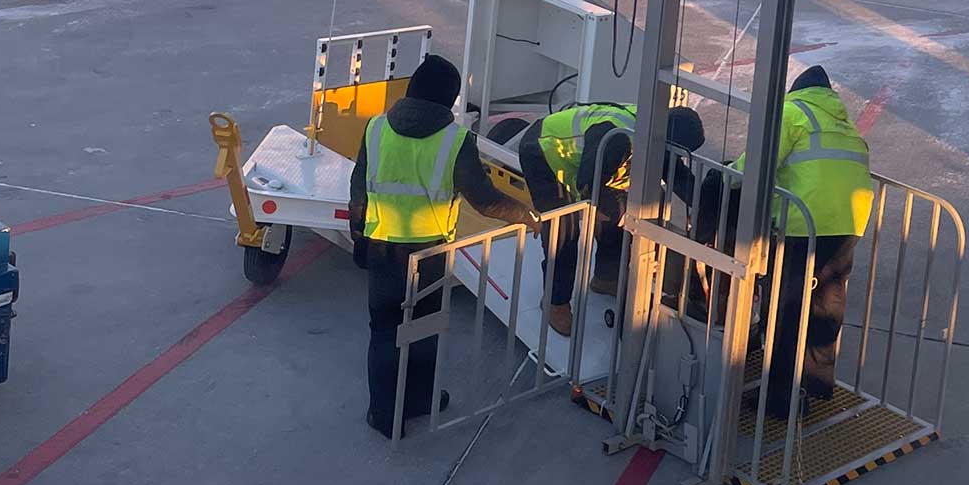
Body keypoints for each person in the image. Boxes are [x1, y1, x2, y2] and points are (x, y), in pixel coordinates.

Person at [348, 53, 533, 438]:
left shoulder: (376, 128)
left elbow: (358, 191)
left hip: (382, 250)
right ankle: (420, 400)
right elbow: (484, 200)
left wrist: (359, 239)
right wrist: (528, 216)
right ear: (447, 100)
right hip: (429, 255)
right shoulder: (456, 140)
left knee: (384, 331)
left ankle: (383, 414)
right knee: (424, 327)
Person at [702, 66, 874, 420]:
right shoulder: (844, 124)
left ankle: (779, 396)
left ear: (797, 90)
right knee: (827, 301)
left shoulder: (793, 112)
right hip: (848, 223)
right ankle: (816, 382)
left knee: (787, 308)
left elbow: (760, 162)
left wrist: (727, 179)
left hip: (804, 222)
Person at [518, 100, 707, 338]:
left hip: (591, 165)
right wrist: (611, 209)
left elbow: (679, 179)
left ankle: (605, 277)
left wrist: (712, 207)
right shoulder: (618, 137)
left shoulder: (660, 134)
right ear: (666, 141)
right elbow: (587, 183)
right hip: (544, 152)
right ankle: (555, 302)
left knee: (616, 216)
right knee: (563, 230)